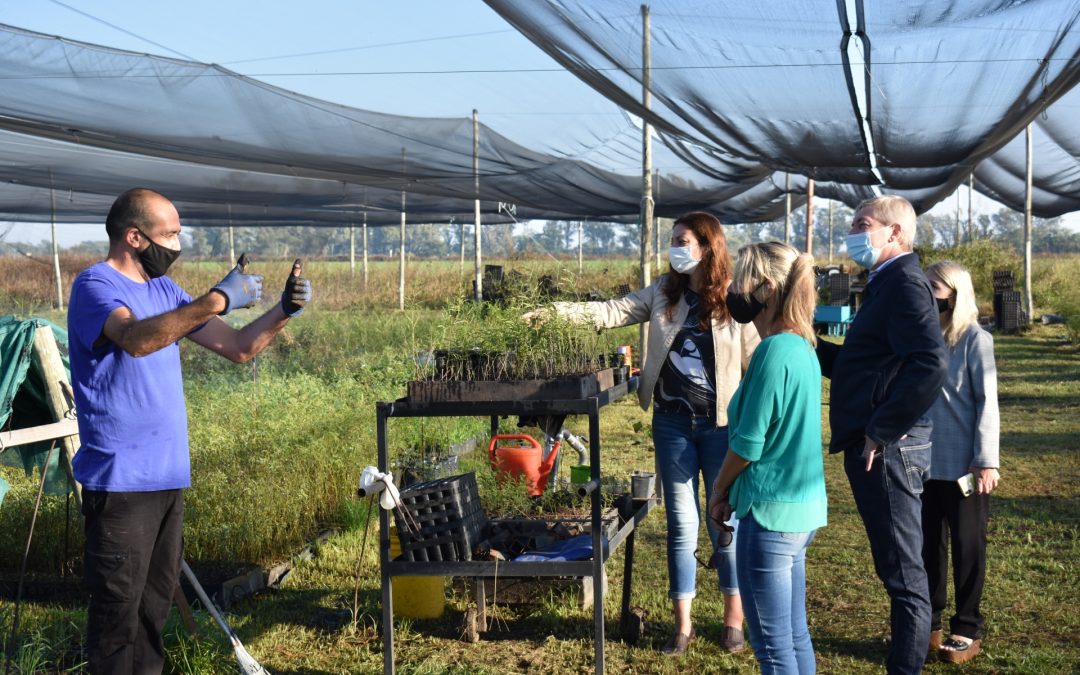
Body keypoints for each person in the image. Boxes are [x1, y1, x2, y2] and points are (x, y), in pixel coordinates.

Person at [67, 188, 312, 674]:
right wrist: (218, 298)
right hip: (120, 484)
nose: (178, 244)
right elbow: (136, 339)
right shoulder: (95, 286)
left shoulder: (165, 292)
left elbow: (239, 347)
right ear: (134, 237)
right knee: (118, 620)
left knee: (152, 614)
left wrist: (283, 309)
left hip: (167, 477)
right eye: (171, 234)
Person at [532, 212, 759, 655]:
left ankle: (734, 617)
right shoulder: (663, 292)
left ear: (708, 246)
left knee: (721, 523)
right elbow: (613, 310)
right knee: (681, 523)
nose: (674, 247)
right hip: (671, 424)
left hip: (720, 428)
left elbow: (760, 355)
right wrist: (558, 314)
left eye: (682, 240)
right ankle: (684, 624)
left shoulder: (734, 299)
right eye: (672, 239)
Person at [816, 195, 947, 674]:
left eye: (862, 224)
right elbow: (862, 365)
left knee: (904, 576)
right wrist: (802, 339)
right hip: (883, 442)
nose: (853, 232)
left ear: (894, 232)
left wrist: (881, 431)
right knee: (896, 568)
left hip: (890, 448)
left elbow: (930, 363)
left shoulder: (906, 286)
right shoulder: (884, 284)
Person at [707, 241, 826, 674]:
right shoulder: (802, 348)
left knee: (773, 649)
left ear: (768, 287)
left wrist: (719, 489)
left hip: (771, 517)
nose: (734, 289)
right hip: (799, 513)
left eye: (741, 280)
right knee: (794, 637)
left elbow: (748, 444)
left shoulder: (773, 352)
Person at [921, 260, 1000, 664]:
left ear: (955, 292)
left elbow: (988, 403)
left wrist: (986, 461)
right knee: (926, 546)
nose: (928, 291)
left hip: (965, 466)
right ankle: (927, 624)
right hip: (921, 462)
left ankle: (966, 629)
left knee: (968, 546)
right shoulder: (921, 335)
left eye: (935, 286)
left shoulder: (974, 339)